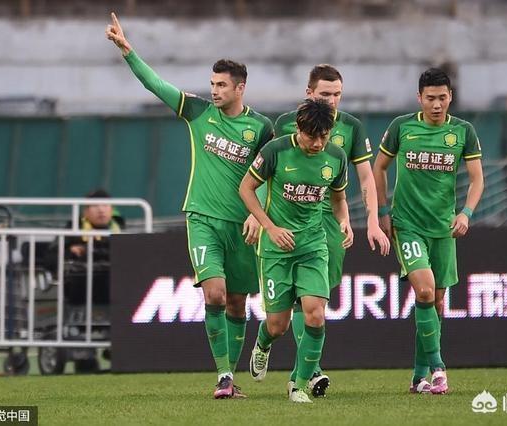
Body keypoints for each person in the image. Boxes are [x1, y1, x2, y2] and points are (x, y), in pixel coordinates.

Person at [106, 13, 274, 398]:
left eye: (221, 85)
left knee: (237, 302)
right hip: (202, 219)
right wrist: (128, 52)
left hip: (242, 225)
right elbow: (156, 85)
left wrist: (257, 214)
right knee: (214, 294)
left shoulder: (262, 128)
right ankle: (223, 376)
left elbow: (268, 175)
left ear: (240, 88)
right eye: (212, 83)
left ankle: (232, 378)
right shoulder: (198, 112)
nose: (214, 90)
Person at [273, 64, 390, 397]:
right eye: (325, 94)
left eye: (337, 94)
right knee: (299, 299)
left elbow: (366, 177)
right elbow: (267, 169)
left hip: (330, 222)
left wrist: (370, 220)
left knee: (316, 301)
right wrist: (259, 218)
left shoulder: (351, 127)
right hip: (290, 219)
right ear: (309, 93)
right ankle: (310, 373)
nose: (332, 100)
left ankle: (302, 373)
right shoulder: (284, 124)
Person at [372, 68, 484, 394]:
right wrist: (383, 212)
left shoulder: (463, 131)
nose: (437, 104)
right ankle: (438, 368)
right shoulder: (402, 127)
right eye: (430, 98)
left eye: (442, 98)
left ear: (451, 97)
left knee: (436, 301)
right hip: (408, 226)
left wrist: (466, 213)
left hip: (443, 228)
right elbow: (379, 168)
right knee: (423, 291)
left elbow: (477, 179)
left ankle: (418, 377)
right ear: (419, 97)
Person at [240, 98, 352, 403]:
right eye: (311, 136)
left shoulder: (336, 157)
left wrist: (344, 221)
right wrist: (270, 227)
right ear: (298, 129)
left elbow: (338, 199)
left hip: (313, 245)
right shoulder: (275, 151)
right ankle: (263, 343)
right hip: (276, 249)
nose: (317, 143)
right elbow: (246, 188)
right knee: (278, 325)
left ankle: (298, 385)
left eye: (323, 136)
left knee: (315, 314)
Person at [44, 188, 123, 305]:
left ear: (111, 210)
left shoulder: (121, 231)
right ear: (85, 211)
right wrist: (70, 252)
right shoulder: (73, 230)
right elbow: (50, 259)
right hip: (80, 292)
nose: (101, 210)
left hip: (115, 292)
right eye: (95, 206)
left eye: (105, 205)